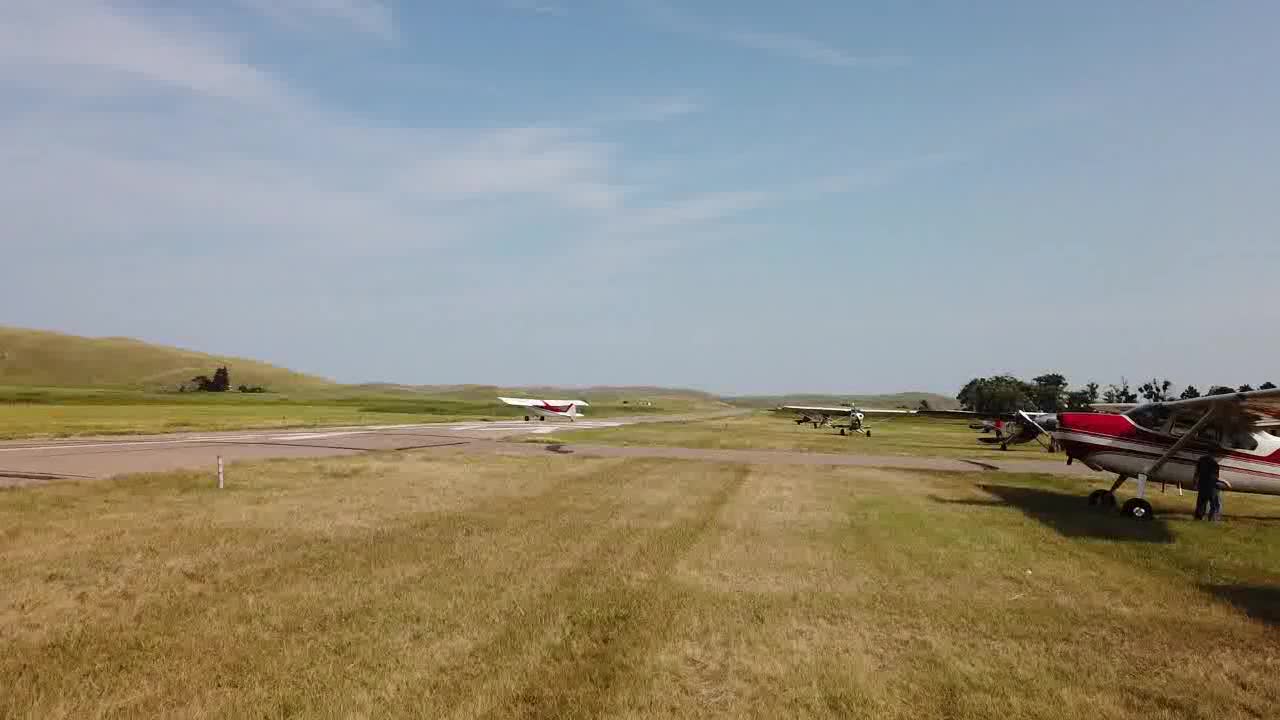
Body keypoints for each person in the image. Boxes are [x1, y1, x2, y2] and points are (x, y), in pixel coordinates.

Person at [1194, 454, 1222, 521]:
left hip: (1202, 485)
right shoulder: (1214, 464)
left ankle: (1199, 517)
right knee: (1215, 504)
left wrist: (1195, 483)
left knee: (1201, 503)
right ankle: (1212, 518)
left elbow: (1196, 474)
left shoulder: (1200, 461)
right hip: (1212, 486)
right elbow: (1215, 477)